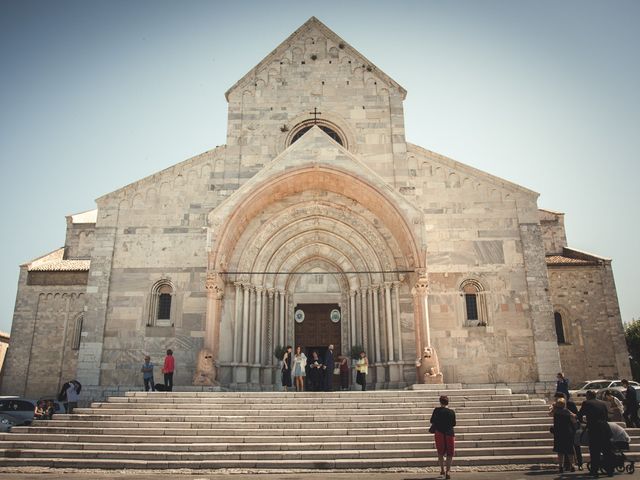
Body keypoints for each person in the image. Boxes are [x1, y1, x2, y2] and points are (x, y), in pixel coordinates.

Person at [578, 390, 613, 476]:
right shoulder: (602, 403)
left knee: (595, 451)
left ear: (588, 396)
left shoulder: (586, 403)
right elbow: (606, 416)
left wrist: (583, 422)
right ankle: (609, 471)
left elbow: (580, 414)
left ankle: (594, 471)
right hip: (605, 428)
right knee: (606, 450)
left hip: (594, 428)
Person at [430, 395, 456, 479]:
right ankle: (448, 471)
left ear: (440, 402)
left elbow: (432, 421)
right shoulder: (451, 412)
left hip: (439, 433)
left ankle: (442, 470)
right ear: (448, 402)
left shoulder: (436, 410)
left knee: (440, 452)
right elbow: (454, 424)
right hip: (449, 433)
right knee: (450, 453)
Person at [551, 397, 577, 473]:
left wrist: (554, 406)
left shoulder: (555, 412)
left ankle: (560, 466)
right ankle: (572, 465)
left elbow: (550, 413)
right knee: (569, 450)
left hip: (558, 432)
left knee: (560, 450)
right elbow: (574, 417)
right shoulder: (567, 412)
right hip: (567, 432)